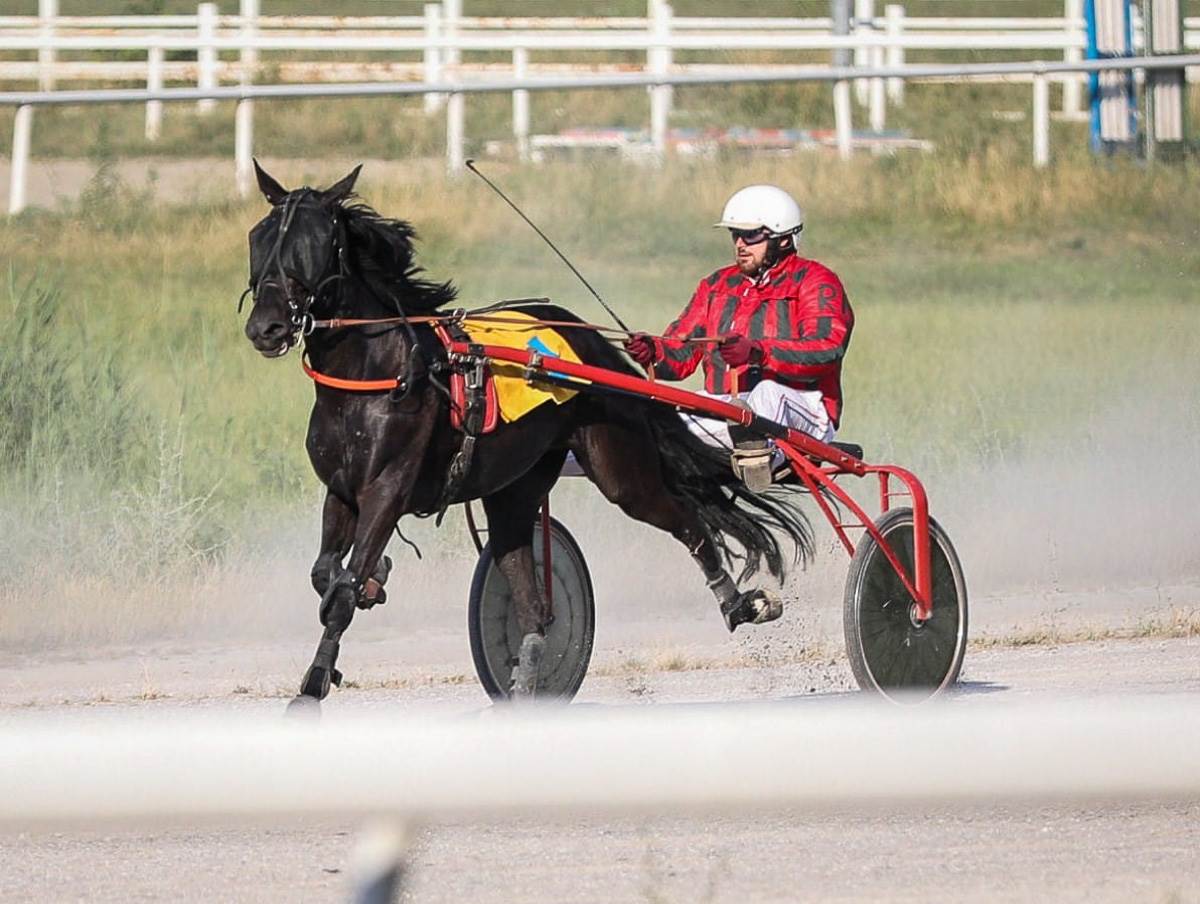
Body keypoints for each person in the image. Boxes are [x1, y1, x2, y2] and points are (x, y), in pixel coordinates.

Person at [625, 184, 854, 483]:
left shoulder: (816, 281)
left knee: (767, 394)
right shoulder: (715, 285)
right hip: (729, 410)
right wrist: (653, 352)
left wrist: (759, 353)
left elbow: (828, 347)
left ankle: (759, 458)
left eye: (752, 235)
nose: (740, 244)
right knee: (650, 422)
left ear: (783, 238)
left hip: (805, 411)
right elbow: (680, 353)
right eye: (735, 235)